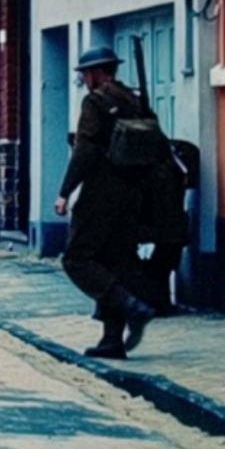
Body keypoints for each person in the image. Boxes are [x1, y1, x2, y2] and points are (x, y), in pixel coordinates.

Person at [53, 46, 159, 359]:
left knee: (77, 258)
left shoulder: (96, 102)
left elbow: (84, 150)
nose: (84, 79)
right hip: (133, 195)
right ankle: (112, 340)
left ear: (98, 72)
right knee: (115, 262)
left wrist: (65, 192)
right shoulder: (135, 100)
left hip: (101, 191)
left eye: (86, 73)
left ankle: (131, 305)